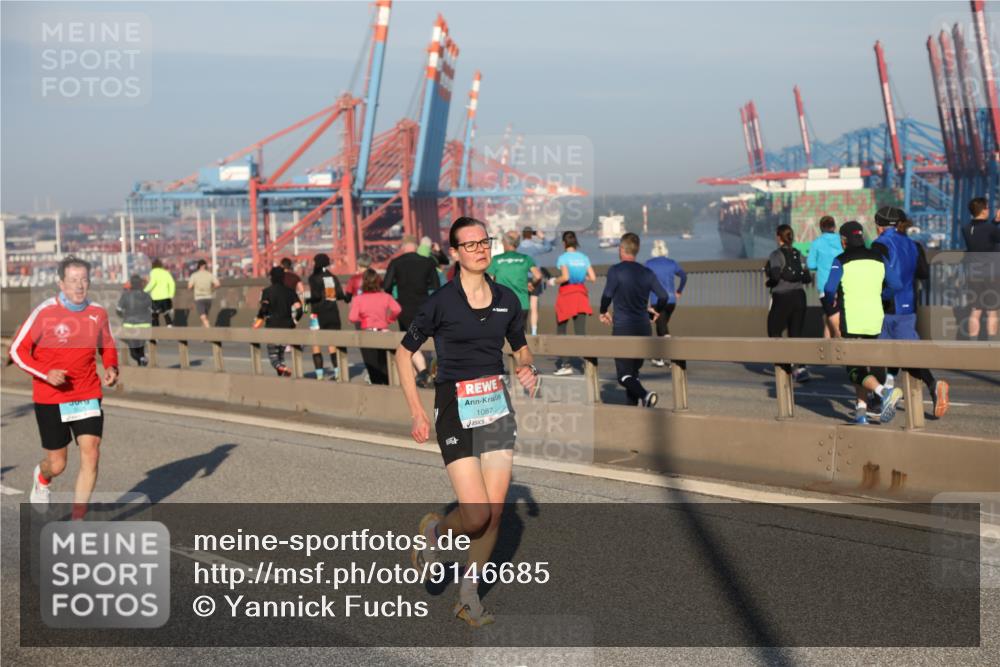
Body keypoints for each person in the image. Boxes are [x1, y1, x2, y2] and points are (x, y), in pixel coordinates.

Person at [396, 216, 538, 628]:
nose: (479, 249)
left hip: (496, 406)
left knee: (494, 514)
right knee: (474, 516)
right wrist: (417, 410)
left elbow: (521, 347)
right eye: (470, 244)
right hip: (455, 408)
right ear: (455, 253)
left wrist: (527, 366)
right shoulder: (439, 302)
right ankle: (436, 532)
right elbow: (403, 354)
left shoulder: (507, 299)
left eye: (484, 242)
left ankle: (467, 596)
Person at [11, 256, 118, 518]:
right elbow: (17, 350)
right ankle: (42, 478)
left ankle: (77, 520)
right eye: (73, 280)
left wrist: (111, 367)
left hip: (87, 392)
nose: (79, 285)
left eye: (84, 280)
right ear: (61, 283)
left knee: (91, 452)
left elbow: (107, 345)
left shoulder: (97, 312)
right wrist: (45, 374)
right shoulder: (45, 312)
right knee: (57, 464)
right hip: (51, 397)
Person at [871, 206, 950, 418]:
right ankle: (922, 386)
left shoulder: (879, 245)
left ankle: (880, 400)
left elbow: (877, 275)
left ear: (879, 226)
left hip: (887, 305)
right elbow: (923, 273)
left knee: (877, 353)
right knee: (906, 353)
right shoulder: (914, 245)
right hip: (908, 304)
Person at [823, 221, 904, 425]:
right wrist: (882, 296)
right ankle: (861, 412)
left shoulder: (841, 260)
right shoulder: (879, 257)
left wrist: (832, 301)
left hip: (852, 321)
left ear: (844, 241)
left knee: (854, 369)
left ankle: (883, 392)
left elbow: (829, 288)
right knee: (866, 363)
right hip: (875, 320)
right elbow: (896, 284)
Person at [599, 233, 669, 407]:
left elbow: (607, 295)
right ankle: (632, 413)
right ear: (636, 250)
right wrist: (655, 311)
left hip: (623, 328)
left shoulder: (615, 271)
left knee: (623, 375)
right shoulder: (647, 272)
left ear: (621, 249)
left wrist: (603, 311)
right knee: (633, 374)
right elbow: (663, 296)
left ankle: (646, 395)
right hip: (643, 329)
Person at [383, 235, 440, 387]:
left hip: (404, 309)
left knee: (409, 342)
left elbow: (386, 286)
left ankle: (421, 374)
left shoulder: (396, 262)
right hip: (425, 307)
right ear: (416, 246)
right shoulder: (428, 262)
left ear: (403, 247)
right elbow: (436, 287)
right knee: (424, 340)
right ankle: (424, 375)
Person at [766, 224, 812, 383]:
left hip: (782, 297)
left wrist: (768, 282)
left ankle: (784, 366)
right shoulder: (799, 254)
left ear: (779, 237)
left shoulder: (776, 255)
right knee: (796, 334)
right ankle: (800, 368)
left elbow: (775, 276)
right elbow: (807, 278)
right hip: (799, 297)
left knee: (774, 330)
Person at [550, 230, 596, 374]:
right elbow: (593, 278)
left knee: (562, 330)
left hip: (566, 295)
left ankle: (565, 365)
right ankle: (588, 364)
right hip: (581, 294)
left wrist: (553, 281)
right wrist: (582, 277)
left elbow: (565, 277)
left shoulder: (563, 258)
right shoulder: (584, 257)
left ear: (564, 243)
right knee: (581, 332)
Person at [348, 269, 401, 385]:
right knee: (385, 365)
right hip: (383, 333)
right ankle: (388, 388)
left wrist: (364, 319)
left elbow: (352, 318)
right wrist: (390, 319)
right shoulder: (386, 296)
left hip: (367, 334)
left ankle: (377, 390)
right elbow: (397, 309)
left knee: (372, 368)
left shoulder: (358, 299)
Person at [488, 230, 543, 332]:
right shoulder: (526, 259)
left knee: (501, 334)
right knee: (520, 336)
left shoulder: (496, 259)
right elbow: (538, 276)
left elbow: (489, 281)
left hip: (501, 305)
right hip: (522, 304)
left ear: (505, 243)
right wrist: (532, 284)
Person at [961, 196, 1000, 340]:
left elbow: (984, 233)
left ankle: (973, 344)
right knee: (992, 311)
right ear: (984, 210)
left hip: (973, 273)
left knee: (975, 310)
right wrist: (996, 221)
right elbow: (992, 235)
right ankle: (991, 344)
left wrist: (995, 221)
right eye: (988, 207)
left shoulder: (966, 229)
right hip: (991, 274)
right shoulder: (991, 229)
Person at [644, 239, 686, 367]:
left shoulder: (649, 264)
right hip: (671, 301)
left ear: (653, 250)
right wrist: (679, 291)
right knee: (661, 325)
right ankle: (660, 357)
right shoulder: (672, 263)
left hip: (657, 301)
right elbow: (684, 276)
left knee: (662, 327)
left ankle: (669, 356)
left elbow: (642, 281)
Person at [257, 266, 302, 376]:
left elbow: (264, 309)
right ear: (283, 277)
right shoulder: (290, 291)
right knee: (281, 355)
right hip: (287, 326)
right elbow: (300, 309)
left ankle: (284, 369)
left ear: (271, 277)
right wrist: (295, 321)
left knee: (273, 357)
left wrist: (260, 317)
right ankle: (282, 377)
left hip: (272, 325)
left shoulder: (267, 291)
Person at [307, 253, 346, 381]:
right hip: (332, 312)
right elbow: (340, 295)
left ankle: (319, 375)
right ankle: (337, 373)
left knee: (316, 343)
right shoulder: (332, 277)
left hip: (317, 314)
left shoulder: (313, 278)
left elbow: (316, 296)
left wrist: (306, 301)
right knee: (332, 343)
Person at [807, 215, 843, 339]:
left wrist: (822, 264)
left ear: (821, 228)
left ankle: (836, 349)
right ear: (834, 226)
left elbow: (811, 265)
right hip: (841, 285)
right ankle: (827, 349)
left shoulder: (817, 243)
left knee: (836, 326)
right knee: (830, 319)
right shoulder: (841, 241)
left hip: (825, 287)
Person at [117, 274, 153, 366]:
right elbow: (152, 310)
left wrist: (123, 316)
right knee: (140, 348)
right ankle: (142, 361)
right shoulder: (146, 295)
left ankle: (141, 359)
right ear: (141, 284)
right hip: (145, 325)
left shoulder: (126, 295)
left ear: (131, 284)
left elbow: (118, 310)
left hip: (130, 325)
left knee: (133, 351)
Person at [187, 259, 220, 328]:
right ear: (205, 266)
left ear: (198, 266)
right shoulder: (209, 274)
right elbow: (218, 284)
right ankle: (204, 331)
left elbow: (189, 287)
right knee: (205, 316)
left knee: (203, 316)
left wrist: (194, 288)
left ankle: (209, 330)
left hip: (199, 298)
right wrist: (212, 289)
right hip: (208, 297)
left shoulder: (194, 275)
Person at [145, 258, 176, 327]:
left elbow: (152, 283)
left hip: (156, 297)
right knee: (166, 313)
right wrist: (171, 294)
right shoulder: (166, 273)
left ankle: (156, 329)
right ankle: (169, 326)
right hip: (166, 297)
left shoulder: (153, 272)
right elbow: (172, 283)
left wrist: (145, 291)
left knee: (155, 314)